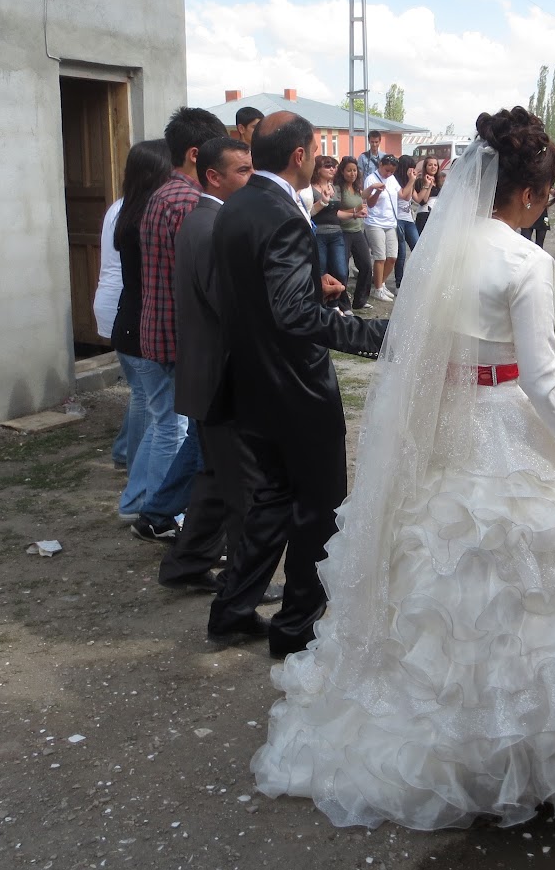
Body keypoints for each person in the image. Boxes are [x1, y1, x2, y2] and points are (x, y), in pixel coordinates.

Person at [252, 106, 555, 830]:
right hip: (503, 421)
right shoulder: (525, 260)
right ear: (530, 193)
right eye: (548, 195)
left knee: (439, 570)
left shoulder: (437, 244)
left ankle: (444, 740)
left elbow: (418, 348)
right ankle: (524, 754)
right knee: (530, 580)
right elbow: (543, 380)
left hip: (446, 427)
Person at [206, 112, 389, 651]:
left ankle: (232, 608)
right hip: (294, 387)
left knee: (269, 502)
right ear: (299, 154)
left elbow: (259, 294)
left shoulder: (237, 203)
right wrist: (375, 335)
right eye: (315, 149)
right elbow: (290, 315)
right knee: (318, 509)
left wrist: (313, 290)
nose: (317, 158)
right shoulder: (281, 211)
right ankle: (296, 628)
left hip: (253, 379)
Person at [153, 137, 264, 586]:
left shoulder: (210, 221)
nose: (252, 178)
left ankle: (186, 565)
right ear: (214, 177)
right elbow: (229, 305)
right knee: (243, 489)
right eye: (242, 171)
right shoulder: (210, 227)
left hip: (210, 377)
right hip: (221, 378)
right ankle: (241, 581)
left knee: (217, 481)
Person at [121, 107, 229, 523]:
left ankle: (139, 504)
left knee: (164, 423)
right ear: (197, 153)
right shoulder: (186, 201)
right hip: (175, 336)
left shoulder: (163, 193)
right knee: (174, 429)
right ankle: (161, 513)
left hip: (156, 331)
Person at [95, 139, 171, 470]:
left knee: (142, 393)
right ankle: (133, 460)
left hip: (122, 303)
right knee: (146, 396)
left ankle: (126, 453)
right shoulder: (141, 213)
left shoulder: (127, 206)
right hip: (125, 306)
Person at [333, 157, 374, 312]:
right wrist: (355, 212)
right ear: (342, 171)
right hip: (342, 232)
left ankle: (360, 300)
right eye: (349, 170)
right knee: (342, 269)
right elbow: (335, 212)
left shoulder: (357, 187)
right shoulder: (338, 188)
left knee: (365, 265)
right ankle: (343, 304)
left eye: (355, 170)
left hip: (357, 231)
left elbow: (363, 197)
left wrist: (375, 188)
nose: (352, 173)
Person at [362, 152, 400, 301]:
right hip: (375, 222)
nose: (389, 173)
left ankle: (381, 283)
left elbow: (401, 194)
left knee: (392, 257)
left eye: (392, 171)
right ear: (380, 165)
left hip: (390, 222)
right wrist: (377, 191)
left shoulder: (392, 179)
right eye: (387, 170)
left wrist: (412, 180)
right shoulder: (371, 179)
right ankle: (377, 289)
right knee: (380, 257)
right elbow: (369, 203)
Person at [306, 154, 347, 285]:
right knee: (321, 270)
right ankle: (323, 302)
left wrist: (354, 213)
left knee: (341, 271)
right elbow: (308, 213)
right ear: (318, 169)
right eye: (328, 166)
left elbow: (336, 213)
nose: (332, 169)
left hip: (336, 233)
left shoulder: (334, 187)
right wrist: (323, 201)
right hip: (319, 234)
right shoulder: (309, 189)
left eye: (334, 166)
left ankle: (335, 302)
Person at [393, 155, 421, 286]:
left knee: (417, 248)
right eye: (411, 169)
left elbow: (417, 199)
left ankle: (415, 278)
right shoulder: (394, 181)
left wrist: (427, 186)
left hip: (409, 219)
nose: (413, 172)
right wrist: (411, 180)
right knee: (401, 253)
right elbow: (404, 196)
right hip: (398, 219)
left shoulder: (410, 181)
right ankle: (399, 283)